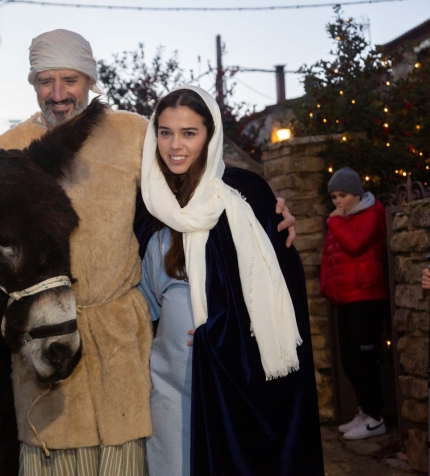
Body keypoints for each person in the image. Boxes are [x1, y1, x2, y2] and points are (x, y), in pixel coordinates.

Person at [0, 30, 297, 475]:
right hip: (47, 338)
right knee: (51, 452)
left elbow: (202, 175)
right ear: (32, 83)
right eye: (46, 80)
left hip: (121, 336)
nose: (58, 94)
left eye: (70, 80)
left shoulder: (133, 133)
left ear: (90, 81)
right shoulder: (7, 151)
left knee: (131, 452)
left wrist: (269, 208)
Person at [138, 86, 323, 475]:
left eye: (189, 133)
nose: (175, 145)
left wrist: (222, 334)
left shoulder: (248, 196)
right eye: (166, 132)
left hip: (236, 387)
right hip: (171, 390)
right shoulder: (146, 205)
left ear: (211, 135)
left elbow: (281, 296)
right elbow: (141, 303)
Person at [321, 166, 388, 440]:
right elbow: (331, 257)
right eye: (334, 197)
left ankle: (376, 417)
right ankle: (365, 411)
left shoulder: (372, 215)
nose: (337, 202)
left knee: (363, 360)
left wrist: (335, 222)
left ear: (356, 194)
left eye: (342, 195)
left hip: (365, 298)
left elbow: (355, 245)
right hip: (346, 298)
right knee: (349, 360)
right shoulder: (343, 218)